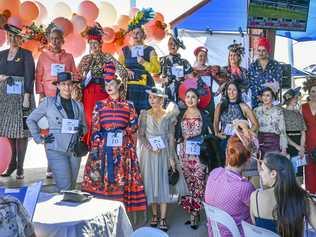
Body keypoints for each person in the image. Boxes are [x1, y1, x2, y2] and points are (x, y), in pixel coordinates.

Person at [81, 70, 147, 213]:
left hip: (123, 150)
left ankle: (122, 212)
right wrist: (99, 144)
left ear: (119, 85)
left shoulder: (128, 105)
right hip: (104, 150)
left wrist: (124, 132)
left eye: (111, 83)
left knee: (122, 180)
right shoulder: (99, 105)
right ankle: (104, 212)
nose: (108, 87)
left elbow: (134, 125)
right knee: (103, 179)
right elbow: (95, 127)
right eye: (106, 84)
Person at [27, 72, 87, 192]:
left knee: (72, 186)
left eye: (69, 84)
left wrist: (81, 130)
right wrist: (39, 138)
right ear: (58, 86)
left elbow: (84, 126)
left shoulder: (78, 105)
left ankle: (66, 208)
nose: (67, 87)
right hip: (56, 149)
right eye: (63, 84)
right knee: (65, 186)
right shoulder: (49, 102)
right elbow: (31, 120)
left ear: (73, 86)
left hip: (75, 150)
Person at [35, 26, 77, 179]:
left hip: (65, 98)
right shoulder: (43, 56)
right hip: (48, 98)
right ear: (49, 40)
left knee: (64, 130)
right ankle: (50, 163)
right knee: (48, 131)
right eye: (52, 38)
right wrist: (40, 95)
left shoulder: (69, 57)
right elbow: (38, 76)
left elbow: (75, 75)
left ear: (63, 40)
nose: (55, 41)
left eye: (58, 38)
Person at [138, 87, 181, 231]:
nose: (151, 100)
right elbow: (141, 135)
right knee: (151, 183)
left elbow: (170, 137)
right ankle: (154, 215)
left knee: (163, 183)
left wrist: (171, 157)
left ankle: (163, 218)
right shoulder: (144, 114)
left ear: (161, 99)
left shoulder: (169, 116)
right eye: (150, 97)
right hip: (149, 154)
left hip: (163, 153)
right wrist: (150, 147)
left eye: (154, 97)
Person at [78, 23, 128, 147]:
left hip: (103, 92)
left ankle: (103, 145)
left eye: (95, 43)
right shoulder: (85, 59)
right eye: (91, 44)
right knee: (89, 119)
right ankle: (91, 145)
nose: (93, 46)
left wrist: (121, 85)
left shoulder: (107, 57)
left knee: (103, 119)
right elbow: (78, 76)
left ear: (101, 44)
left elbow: (121, 71)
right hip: (88, 93)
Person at [250, 152, 316, 236]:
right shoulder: (303, 199)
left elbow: (256, 230)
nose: (260, 173)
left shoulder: (255, 196)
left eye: (262, 169)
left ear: (273, 174)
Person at [0, 24, 35, 179]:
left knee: (21, 132)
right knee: (9, 130)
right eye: (10, 36)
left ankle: (20, 166)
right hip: (5, 98)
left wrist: (27, 95)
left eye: (16, 37)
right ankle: (12, 163)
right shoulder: (1, 54)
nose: (13, 39)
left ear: (21, 39)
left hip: (22, 96)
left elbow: (30, 75)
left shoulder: (26, 54)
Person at [205, 135, 255, 237]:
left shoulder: (214, 173)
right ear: (248, 161)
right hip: (237, 233)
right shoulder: (244, 187)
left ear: (227, 154)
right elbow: (258, 211)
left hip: (215, 232)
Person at [177, 88, 208, 229]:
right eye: (187, 96)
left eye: (193, 97)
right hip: (184, 153)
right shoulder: (180, 115)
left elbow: (208, 134)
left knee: (199, 181)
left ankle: (196, 212)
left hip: (198, 154)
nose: (190, 99)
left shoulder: (204, 114)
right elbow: (177, 134)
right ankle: (192, 212)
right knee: (188, 182)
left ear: (198, 100)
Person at [119, 9, 160, 114]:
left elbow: (156, 69)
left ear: (143, 35)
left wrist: (143, 63)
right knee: (129, 115)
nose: (135, 35)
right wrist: (125, 70)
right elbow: (118, 67)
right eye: (133, 33)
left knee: (144, 116)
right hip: (129, 88)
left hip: (145, 87)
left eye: (138, 33)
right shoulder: (125, 50)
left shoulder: (150, 50)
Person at [213, 81, 258, 159]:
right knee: (225, 164)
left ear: (238, 92)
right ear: (226, 91)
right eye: (229, 89)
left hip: (239, 141)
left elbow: (255, 125)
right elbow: (216, 121)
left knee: (238, 164)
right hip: (225, 140)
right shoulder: (220, 105)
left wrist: (246, 133)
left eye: (234, 90)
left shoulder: (243, 106)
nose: (231, 92)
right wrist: (217, 133)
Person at [248, 37, 282, 108]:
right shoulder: (253, 66)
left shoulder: (275, 65)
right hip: (256, 101)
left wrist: (269, 96)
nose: (261, 53)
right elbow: (250, 83)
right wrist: (258, 96)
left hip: (271, 101)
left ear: (268, 51)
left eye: (263, 50)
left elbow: (279, 82)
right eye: (259, 50)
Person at [160, 33, 193, 105]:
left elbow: (191, 80)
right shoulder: (162, 60)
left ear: (178, 46)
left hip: (181, 96)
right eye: (170, 44)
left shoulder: (184, 62)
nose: (173, 46)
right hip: (166, 96)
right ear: (168, 45)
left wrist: (186, 80)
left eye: (175, 44)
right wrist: (163, 80)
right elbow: (155, 76)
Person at [254, 87, 287, 157]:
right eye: (263, 95)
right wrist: (254, 145)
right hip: (260, 142)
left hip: (274, 142)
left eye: (268, 95)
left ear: (272, 97)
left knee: (273, 166)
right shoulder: (256, 110)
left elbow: (282, 130)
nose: (265, 98)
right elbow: (254, 129)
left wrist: (284, 149)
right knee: (261, 165)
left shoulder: (278, 111)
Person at [282, 87, 306, 177]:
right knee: (288, 174)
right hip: (288, 145)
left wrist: (302, 147)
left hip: (299, 144)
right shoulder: (282, 113)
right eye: (294, 98)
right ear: (289, 99)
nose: (296, 99)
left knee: (299, 174)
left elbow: (303, 132)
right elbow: (283, 133)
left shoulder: (298, 114)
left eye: (296, 98)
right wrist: (297, 147)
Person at [220, 42, 251, 107]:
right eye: (230, 55)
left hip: (240, 100)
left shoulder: (244, 71)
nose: (232, 57)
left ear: (239, 57)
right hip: (226, 100)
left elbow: (247, 85)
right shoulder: (223, 70)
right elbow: (221, 83)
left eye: (234, 55)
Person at [302, 77, 316, 194]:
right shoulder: (303, 107)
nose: (315, 94)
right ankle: (311, 201)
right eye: (312, 91)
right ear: (308, 92)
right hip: (308, 145)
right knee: (309, 174)